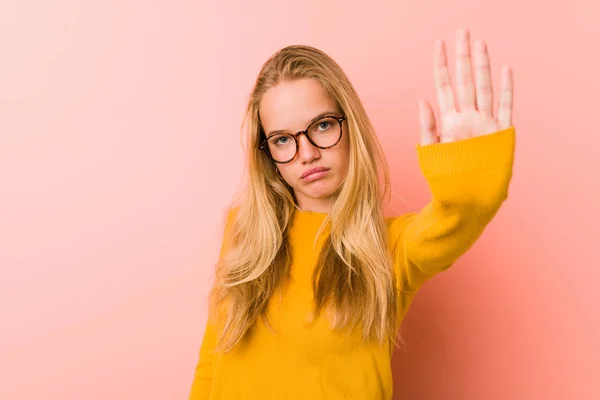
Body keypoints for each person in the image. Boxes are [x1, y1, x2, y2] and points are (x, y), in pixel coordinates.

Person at [189, 28, 515, 399]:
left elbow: (456, 219)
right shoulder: (243, 230)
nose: (307, 153)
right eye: (283, 139)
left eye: (322, 125)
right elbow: (214, 357)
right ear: (267, 154)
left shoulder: (392, 249)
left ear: (350, 126)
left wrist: (471, 167)